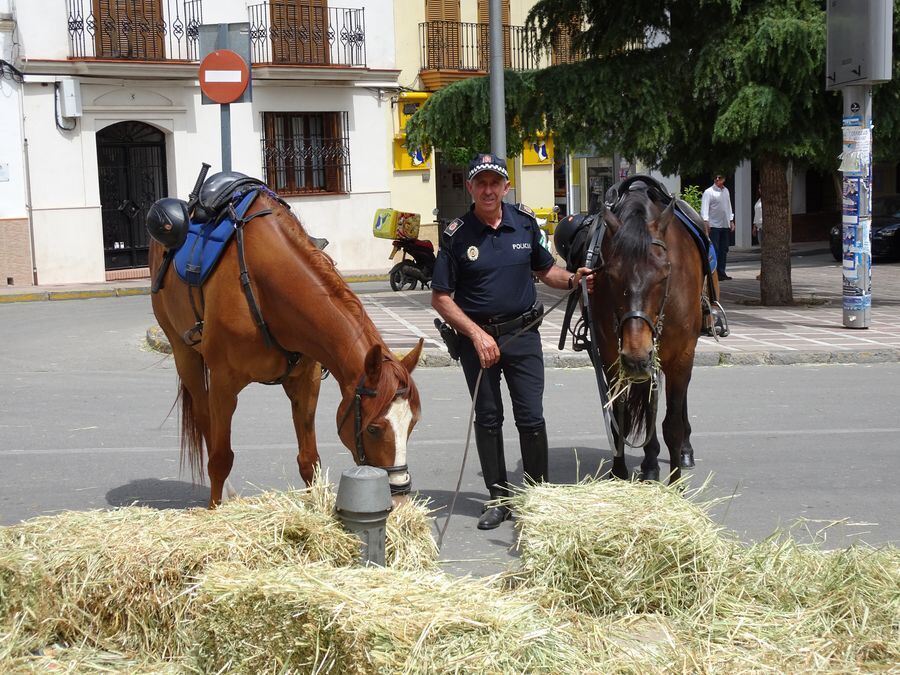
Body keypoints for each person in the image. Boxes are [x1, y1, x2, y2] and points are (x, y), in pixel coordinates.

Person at [431, 153, 592, 530]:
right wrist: (476, 334)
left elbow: (546, 269)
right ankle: (498, 499)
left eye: (495, 183)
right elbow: (441, 298)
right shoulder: (456, 234)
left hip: (522, 336)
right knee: (488, 419)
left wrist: (573, 279)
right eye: (480, 183)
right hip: (477, 343)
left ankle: (537, 496)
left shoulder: (523, 224)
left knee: (531, 417)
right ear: (470, 187)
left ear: (505, 187)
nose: (488, 190)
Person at [701, 175, 735, 280]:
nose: (717, 179)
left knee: (724, 249)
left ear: (724, 179)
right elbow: (704, 208)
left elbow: (728, 206)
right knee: (714, 249)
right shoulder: (708, 192)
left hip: (725, 224)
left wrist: (731, 220)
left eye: (720, 178)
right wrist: (706, 222)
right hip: (714, 225)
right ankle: (714, 273)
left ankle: (721, 272)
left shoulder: (726, 191)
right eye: (716, 178)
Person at [753, 190, 763, 279]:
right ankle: (762, 272)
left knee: (765, 251)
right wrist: (754, 226)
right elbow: (757, 215)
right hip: (759, 227)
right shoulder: (759, 200)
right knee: (763, 251)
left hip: (764, 227)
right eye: (759, 187)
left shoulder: (767, 200)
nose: (760, 189)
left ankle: (763, 272)